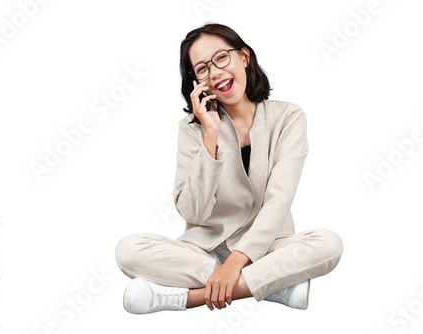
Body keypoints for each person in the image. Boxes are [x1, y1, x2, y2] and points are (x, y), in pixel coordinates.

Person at [114, 23, 343, 314]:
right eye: (202, 68)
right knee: (128, 250)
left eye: (221, 58)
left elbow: (279, 200)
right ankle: (273, 284)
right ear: (196, 82)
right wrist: (210, 137)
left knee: (328, 244)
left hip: (269, 248)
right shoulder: (191, 130)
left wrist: (234, 264)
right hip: (206, 251)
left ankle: (182, 299)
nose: (215, 72)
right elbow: (193, 212)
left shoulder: (288, 117)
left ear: (244, 57)